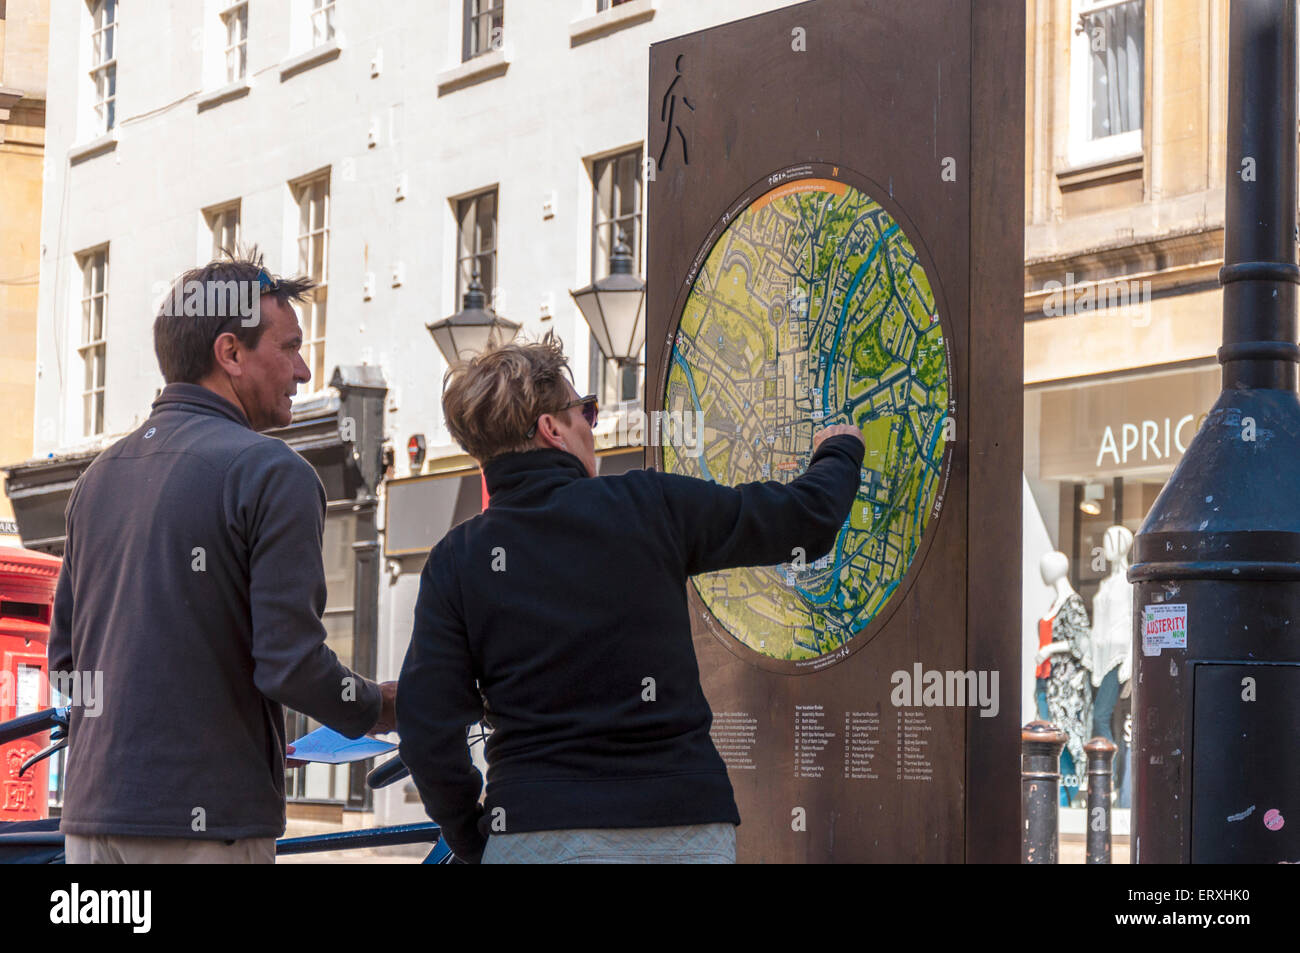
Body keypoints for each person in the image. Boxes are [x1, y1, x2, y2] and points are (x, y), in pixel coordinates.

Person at [397, 335, 864, 863]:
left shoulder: (456, 560)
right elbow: (802, 523)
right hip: (679, 828)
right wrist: (841, 450)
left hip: (536, 830)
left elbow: (425, 726)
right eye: (586, 412)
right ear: (552, 429)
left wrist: (473, 836)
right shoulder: (649, 505)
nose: (591, 427)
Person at [49, 249, 396, 864]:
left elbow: (67, 667)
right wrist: (381, 707)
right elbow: (288, 665)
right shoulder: (272, 473)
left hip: (90, 820)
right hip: (205, 827)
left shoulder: (96, 480)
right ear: (231, 353)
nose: (304, 370)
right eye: (288, 347)